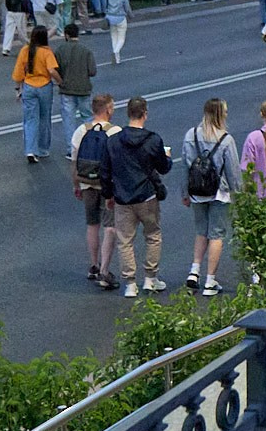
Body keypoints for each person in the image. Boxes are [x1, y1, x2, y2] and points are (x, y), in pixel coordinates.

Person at [102, 96, 172, 297]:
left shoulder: (113, 141)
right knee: (153, 235)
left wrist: (108, 195)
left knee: (125, 240)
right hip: (147, 197)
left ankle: (130, 283)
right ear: (145, 114)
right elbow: (163, 168)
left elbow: (105, 171)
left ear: (128, 113)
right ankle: (150, 278)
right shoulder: (153, 140)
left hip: (123, 198)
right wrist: (166, 158)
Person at [181, 98, 246, 296]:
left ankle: (194, 272)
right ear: (220, 114)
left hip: (197, 192)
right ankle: (210, 281)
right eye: (225, 111)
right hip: (219, 192)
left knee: (201, 231)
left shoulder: (190, 135)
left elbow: (185, 166)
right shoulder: (226, 139)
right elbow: (233, 172)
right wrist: (240, 195)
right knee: (216, 234)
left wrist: (185, 192)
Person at [71, 94, 121, 288]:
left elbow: (74, 161)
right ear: (108, 109)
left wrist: (76, 185)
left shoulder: (81, 131)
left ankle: (93, 265)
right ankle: (104, 271)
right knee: (110, 226)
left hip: (86, 183)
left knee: (92, 225)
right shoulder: (115, 131)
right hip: (107, 184)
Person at [13, 26, 61, 164]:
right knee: (44, 118)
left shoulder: (25, 50)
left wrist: (18, 89)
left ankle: (30, 150)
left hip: (29, 87)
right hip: (44, 87)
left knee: (30, 119)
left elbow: (18, 72)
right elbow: (51, 71)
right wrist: (60, 81)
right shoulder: (46, 52)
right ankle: (43, 149)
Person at [55, 20, 99, 141]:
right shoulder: (86, 50)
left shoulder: (60, 50)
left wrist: (61, 82)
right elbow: (92, 72)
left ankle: (72, 149)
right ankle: (90, 145)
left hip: (67, 90)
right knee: (88, 118)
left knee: (69, 120)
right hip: (84, 89)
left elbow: (55, 70)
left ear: (66, 35)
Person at [104, 0, 131, 65]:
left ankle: (117, 58)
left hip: (110, 18)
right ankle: (116, 52)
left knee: (114, 37)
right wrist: (130, 15)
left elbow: (105, 7)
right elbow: (127, 8)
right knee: (121, 38)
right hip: (121, 18)